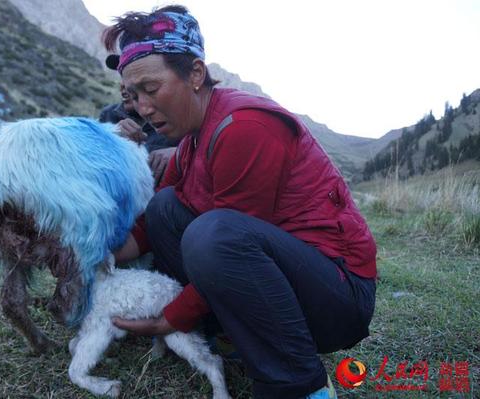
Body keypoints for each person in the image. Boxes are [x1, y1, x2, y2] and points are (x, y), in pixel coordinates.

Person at [104, 5, 377, 399]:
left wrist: (171, 318)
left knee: (214, 233)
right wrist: (96, 251)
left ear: (195, 74)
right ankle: (228, 333)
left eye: (151, 89)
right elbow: (152, 225)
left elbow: (226, 240)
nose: (143, 108)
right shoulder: (192, 140)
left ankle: (300, 384)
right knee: (165, 207)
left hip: (337, 298)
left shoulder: (245, 126)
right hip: (283, 283)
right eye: (133, 96)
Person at [99, 76, 179, 185]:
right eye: (122, 75)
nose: (123, 86)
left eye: (131, 77)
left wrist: (180, 152)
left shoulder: (178, 116)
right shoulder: (109, 114)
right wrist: (111, 138)